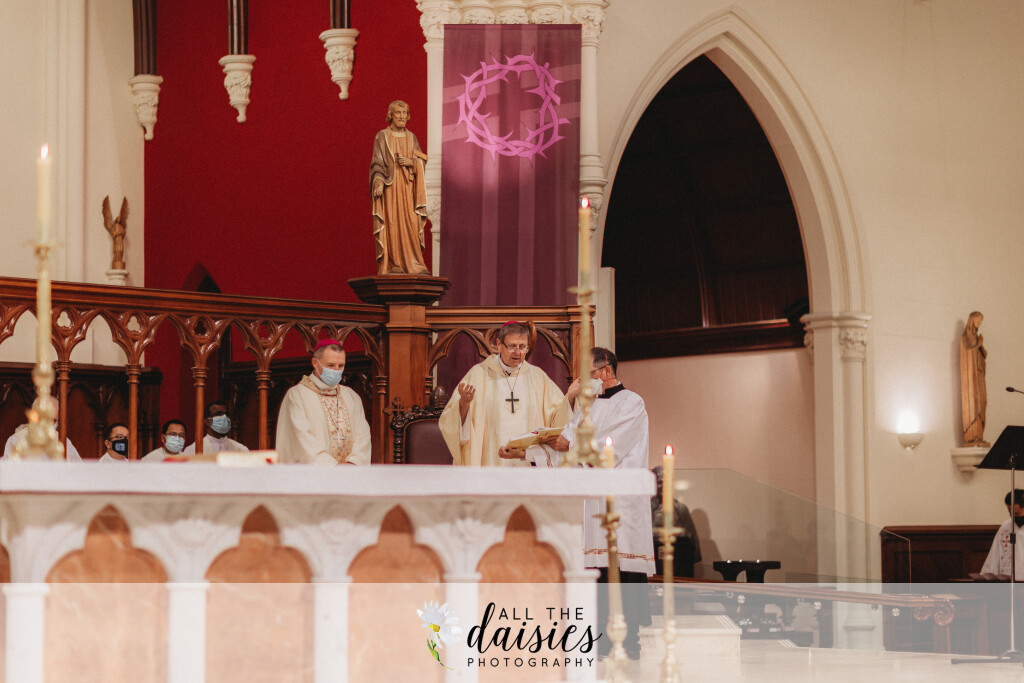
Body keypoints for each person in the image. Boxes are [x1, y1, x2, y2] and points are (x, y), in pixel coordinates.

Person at [544, 347, 654, 658]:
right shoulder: (586, 405)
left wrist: (570, 445)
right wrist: (536, 446)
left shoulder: (632, 403)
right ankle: (598, 638)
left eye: (588, 374)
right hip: (590, 498)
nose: (584, 381)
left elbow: (612, 445)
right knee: (596, 568)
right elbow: (565, 438)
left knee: (622, 567)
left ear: (605, 370)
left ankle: (628, 640)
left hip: (620, 498)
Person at [439, 321, 568, 467]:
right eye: (512, 346)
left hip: (528, 468)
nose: (517, 352)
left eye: (522, 347)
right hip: (490, 467)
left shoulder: (537, 376)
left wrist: (571, 396)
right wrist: (464, 404)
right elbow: (450, 423)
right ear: (499, 344)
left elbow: (559, 417)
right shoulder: (478, 374)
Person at [275, 339, 372, 465]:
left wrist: (352, 464)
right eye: (331, 365)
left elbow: (363, 436)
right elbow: (301, 439)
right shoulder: (297, 395)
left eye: (341, 366)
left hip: (352, 472)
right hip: (316, 473)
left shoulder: (351, 396)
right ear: (315, 363)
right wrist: (334, 466)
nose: (336, 370)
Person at [370, 99, 430, 275]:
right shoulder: (382, 136)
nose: (402, 116)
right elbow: (377, 163)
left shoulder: (412, 137)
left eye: (405, 113)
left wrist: (412, 162)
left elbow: (421, 161)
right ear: (391, 115)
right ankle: (394, 264)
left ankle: (414, 263)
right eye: (398, 113)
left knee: (411, 222)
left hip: (409, 190)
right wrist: (379, 182)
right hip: (391, 189)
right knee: (393, 224)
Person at [650, 465, 702, 578]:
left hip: (678, 568)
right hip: (653, 569)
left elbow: (693, 543)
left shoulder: (681, 509)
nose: (664, 486)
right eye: (660, 482)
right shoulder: (646, 510)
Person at [2, 397, 84, 461]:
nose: (51, 424)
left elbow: (79, 470)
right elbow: (10, 473)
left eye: (55, 420)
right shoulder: (16, 441)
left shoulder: (63, 441)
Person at [981, 489, 1024, 577]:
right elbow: (994, 558)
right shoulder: (1005, 528)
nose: (1013, 517)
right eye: (1010, 513)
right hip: (1008, 581)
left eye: (1017, 513)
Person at [961, 311, 988, 446]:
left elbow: (984, 354)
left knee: (983, 402)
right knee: (974, 404)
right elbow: (967, 353)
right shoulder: (966, 338)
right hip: (971, 379)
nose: (980, 323)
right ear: (972, 320)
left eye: (981, 321)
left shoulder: (977, 337)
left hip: (979, 374)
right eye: (978, 320)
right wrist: (978, 344)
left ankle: (980, 435)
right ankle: (973, 436)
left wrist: (980, 344)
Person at [183, 401, 248, 455]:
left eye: (226, 414)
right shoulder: (193, 450)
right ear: (206, 421)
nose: (224, 417)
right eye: (218, 414)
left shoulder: (241, 450)